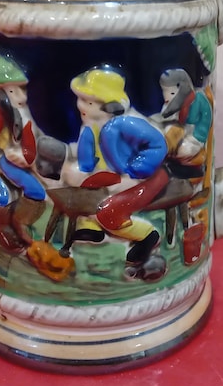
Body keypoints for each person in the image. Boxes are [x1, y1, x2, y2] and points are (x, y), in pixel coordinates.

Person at [64, 65, 169, 281]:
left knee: (108, 211)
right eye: (81, 99)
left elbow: (157, 144)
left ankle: (147, 235)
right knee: (79, 192)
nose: (82, 106)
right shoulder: (91, 128)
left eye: (90, 102)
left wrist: (135, 171)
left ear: (110, 106)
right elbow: (88, 159)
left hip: (142, 179)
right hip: (110, 179)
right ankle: (94, 230)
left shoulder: (125, 125)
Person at [0, 51, 46, 251]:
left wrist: (24, 157)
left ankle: (20, 223)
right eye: (13, 92)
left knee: (35, 190)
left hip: (6, 159)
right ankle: (4, 226)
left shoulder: (23, 115)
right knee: (0, 193)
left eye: (21, 89)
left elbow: (30, 149)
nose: (21, 97)